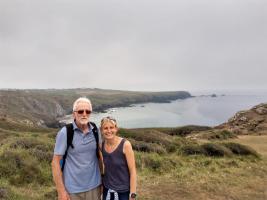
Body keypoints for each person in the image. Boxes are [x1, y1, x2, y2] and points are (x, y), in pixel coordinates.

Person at [52, 97, 102, 200]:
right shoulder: (65, 132)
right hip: (73, 190)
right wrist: (61, 192)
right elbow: (55, 163)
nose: (84, 114)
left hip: (95, 187)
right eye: (80, 111)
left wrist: (103, 181)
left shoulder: (95, 130)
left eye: (87, 111)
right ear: (74, 113)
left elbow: (100, 156)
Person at [100, 116, 137, 200]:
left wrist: (133, 194)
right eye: (105, 128)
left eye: (111, 127)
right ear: (101, 130)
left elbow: (133, 171)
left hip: (124, 192)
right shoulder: (101, 146)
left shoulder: (125, 145)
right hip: (107, 190)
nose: (109, 131)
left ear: (116, 129)